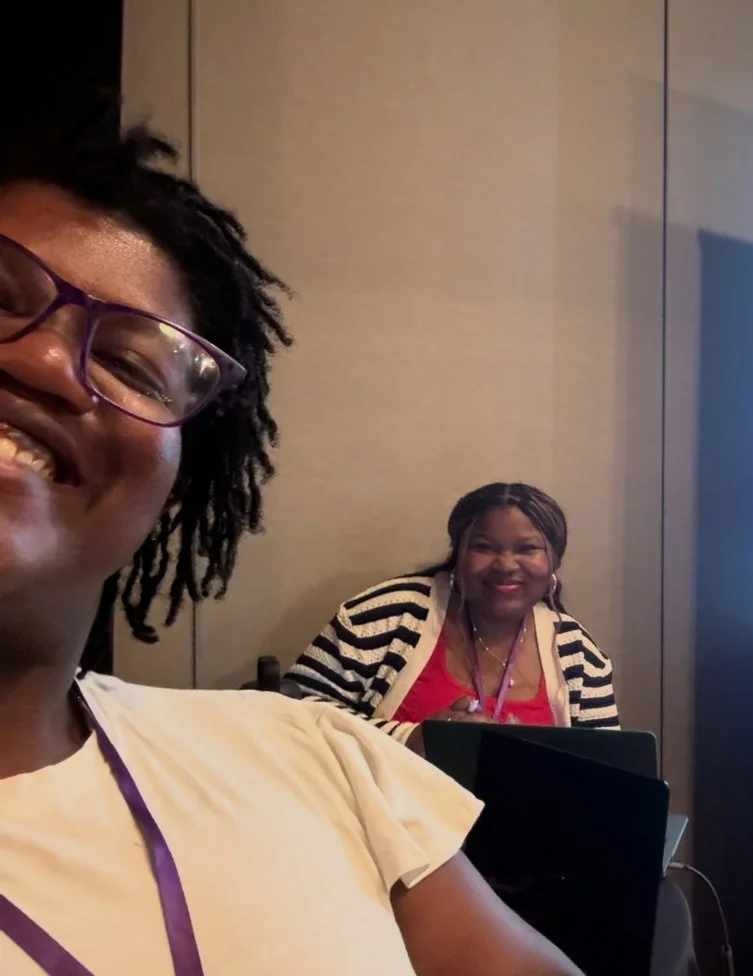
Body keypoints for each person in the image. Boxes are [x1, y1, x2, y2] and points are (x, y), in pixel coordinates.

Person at [0, 122, 580, 975]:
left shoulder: (313, 755)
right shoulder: (382, 629)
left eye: (132, 364)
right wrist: (414, 737)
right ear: (457, 551)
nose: (52, 361)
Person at [287, 482, 620, 749]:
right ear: (457, 553)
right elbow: (291, 714)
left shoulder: (576, 653)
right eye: (484, 546)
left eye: (527, 549)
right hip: (375, 824)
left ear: (554, 562)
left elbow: (610, 771)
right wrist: (415, 740)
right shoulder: (389, 615)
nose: (505, 565)